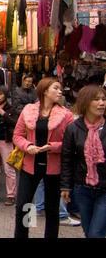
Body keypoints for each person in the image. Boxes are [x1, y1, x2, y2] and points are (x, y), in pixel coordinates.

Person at [13, 77, 74, 238]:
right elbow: (17, 136)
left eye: (60, 88)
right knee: (24, 207)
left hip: (53, 167)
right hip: (30, 165)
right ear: (44, 91)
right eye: (56, 88)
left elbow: (69, 143)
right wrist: (28, 146)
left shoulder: (66, 115)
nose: (60, 91)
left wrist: (52, 147)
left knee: (52, 210)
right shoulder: (29, 110)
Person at [61, 84, 106, 238]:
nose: (101, 103)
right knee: (88, 231)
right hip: (82, 189)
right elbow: (67, 160)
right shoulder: (73, 129)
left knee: (96, 233)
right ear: (86, 102)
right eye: (96, 99)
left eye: (103, 99)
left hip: (105, 190)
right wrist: (65, 186)